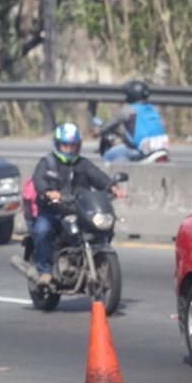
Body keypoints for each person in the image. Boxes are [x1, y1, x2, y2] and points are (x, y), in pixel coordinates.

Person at [30, 122, 125, 285]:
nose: (69, 149)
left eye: (73, 146)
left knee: (103, 225)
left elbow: (97, 176)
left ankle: (94, 258)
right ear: (57, 144)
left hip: (76, 209)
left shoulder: (83, 164)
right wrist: (48, 192)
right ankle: (45, 270)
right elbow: (38, 180)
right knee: (43, 230)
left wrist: (112, 187)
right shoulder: (48, 163)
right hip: (53, 210)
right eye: (65, 145)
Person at [96, 79, 169, 162]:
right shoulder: (154, 109)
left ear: (132, 94)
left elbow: (109, 125)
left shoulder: (128, 110)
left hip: (141, 151)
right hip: (162, 148)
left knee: (108, 156)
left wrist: (98, 132)